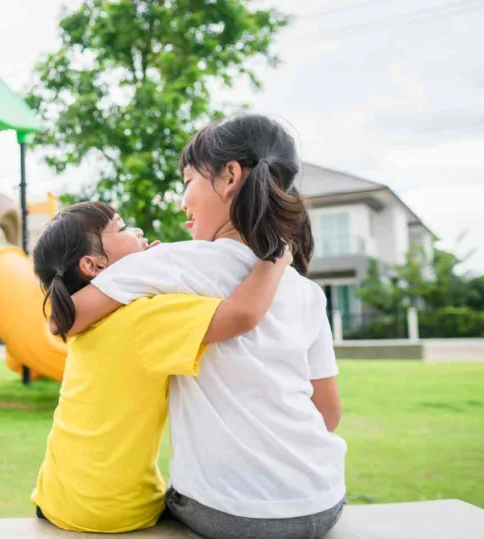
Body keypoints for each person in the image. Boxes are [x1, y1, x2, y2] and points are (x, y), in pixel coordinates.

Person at [66, 114, 346, 539]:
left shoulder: (169, 263)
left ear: (230, 175)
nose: (182, 201)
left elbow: (68, 318)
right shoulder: (306, 291)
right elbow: (328, 415)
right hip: (323, 501)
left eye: (187, 182)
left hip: (232, 513)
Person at [29, 200, 293, 533]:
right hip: (116, 511)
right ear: (93, 265)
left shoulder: (86, 322)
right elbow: (242, 315)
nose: (137, 230)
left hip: (55, 497)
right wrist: (276, 259)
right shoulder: (144, 318)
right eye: (123, 228)